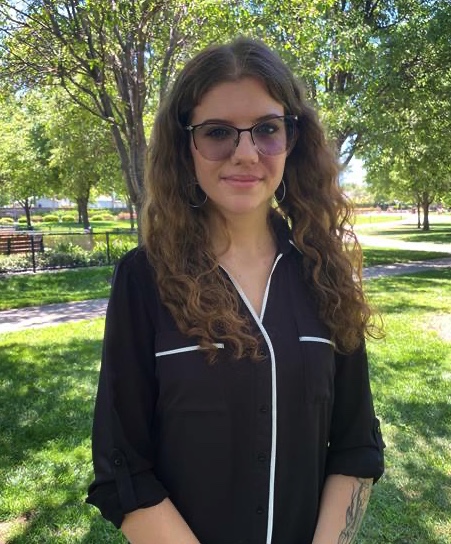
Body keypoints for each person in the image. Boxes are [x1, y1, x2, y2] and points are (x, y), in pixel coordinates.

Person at [86, 38, 385, 544]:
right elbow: (124, 470)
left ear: (292, 139)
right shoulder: (144, 278)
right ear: (185, 145)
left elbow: (356, 446)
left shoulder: (325, 274)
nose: (246, 153)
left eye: (267, 129)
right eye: (218, 132)